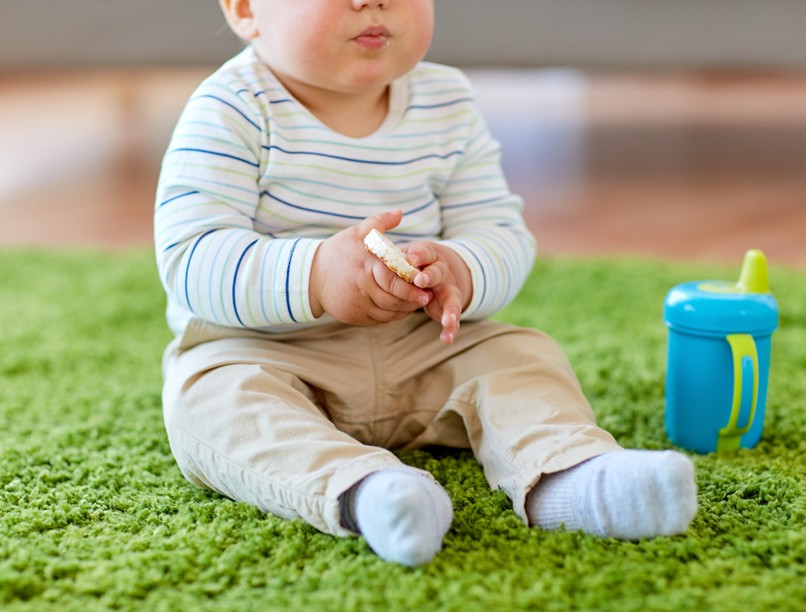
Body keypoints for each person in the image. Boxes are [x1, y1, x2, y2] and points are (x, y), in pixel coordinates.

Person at [155, 0, 698, 567]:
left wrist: (459, 268)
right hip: (270, 351)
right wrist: (316, 276)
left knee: (519, 354)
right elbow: (191, 257)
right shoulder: (231, 107)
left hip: (423, 346)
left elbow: (499, 231)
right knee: (209, 401)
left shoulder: (446, 100)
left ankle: (571, 474)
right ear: (246, 10)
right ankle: (368, 491)